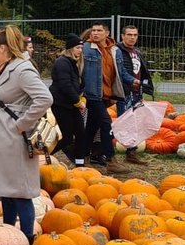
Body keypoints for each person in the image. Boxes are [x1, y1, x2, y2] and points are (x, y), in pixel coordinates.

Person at [0, 25, 53, 240]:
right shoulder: (7, 67)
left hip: (15, 138)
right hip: (2, 137)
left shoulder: (22, 70)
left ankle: (27, 237)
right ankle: (9, 233)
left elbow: (44, 98)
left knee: (20, 192)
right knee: (6, 190)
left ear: (3, 48)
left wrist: (21, 124)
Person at [79, 24, 126, 173]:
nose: (95, 33)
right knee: (106, 124)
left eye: (99, 31)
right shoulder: (86, 48)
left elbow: (121, 71)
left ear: (107, 33)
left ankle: (84, 157)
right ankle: (111, 160)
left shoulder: (115, 50)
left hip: (105, 94)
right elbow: (77, 68)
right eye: (93, 30)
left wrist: (133, 81)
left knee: (92, 127)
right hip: (91, 94)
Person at [114, 25, 155, 166]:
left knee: (135, 122)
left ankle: (131, 153)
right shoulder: (118, 51)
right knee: (124, 122)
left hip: (137, 91)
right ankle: (104, 151)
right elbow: (120, 71)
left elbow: (143, 72)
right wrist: (131, 82)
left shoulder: (137, 53)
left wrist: (145, 88)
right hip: (124, 91)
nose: (132, 37)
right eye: (129, 34)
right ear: (122, 36)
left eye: (135, 35)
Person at [49, 36, 88, 168]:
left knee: (81, 133)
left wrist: (82, 98)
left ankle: (80, 164)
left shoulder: (73, 63)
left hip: (71, 104)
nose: (80, 51)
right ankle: (43, 157)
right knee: (66, 137)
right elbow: (65, 85)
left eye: (81, 48)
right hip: (61, 104)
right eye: (77, 48)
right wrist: (77, 101)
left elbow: (78, 84)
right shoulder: (62, 62)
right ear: (70, 48)